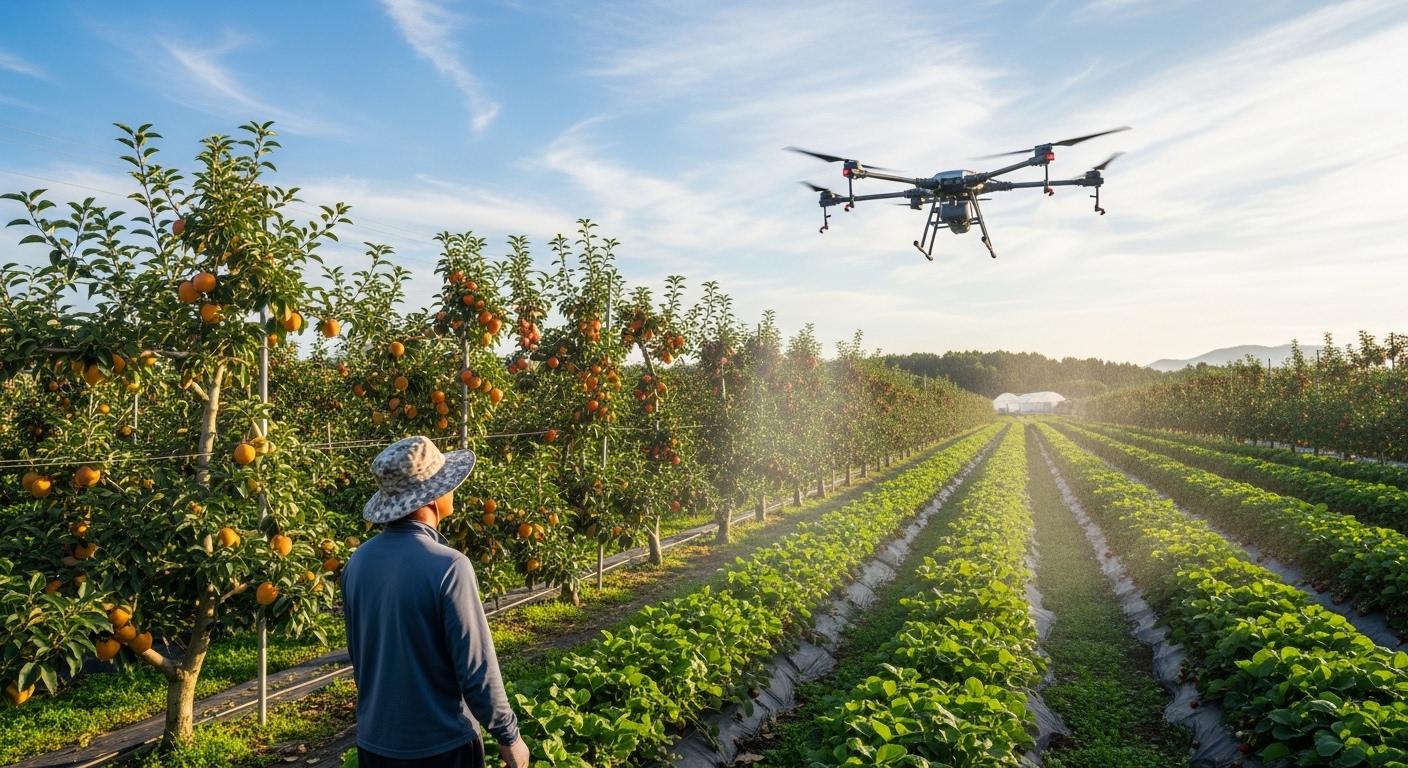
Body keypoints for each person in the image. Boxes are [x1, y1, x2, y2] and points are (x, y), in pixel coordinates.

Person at [342, 436, 531, 768]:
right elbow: (477, 670)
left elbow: (361, 657)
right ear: (431, 498)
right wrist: (509, 736)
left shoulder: (358, 561)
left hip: (375, 745)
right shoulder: (449, 566)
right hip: (441, 747)